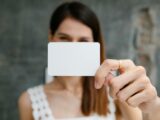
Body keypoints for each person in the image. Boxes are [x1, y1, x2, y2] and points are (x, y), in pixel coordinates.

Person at [18, 1, 160, 120]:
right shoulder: (28, 101)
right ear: (51, 37)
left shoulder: (117, 91)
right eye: (64, 38)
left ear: (95, 44)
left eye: (83, 41)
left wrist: (154, 108)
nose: (73, 48)